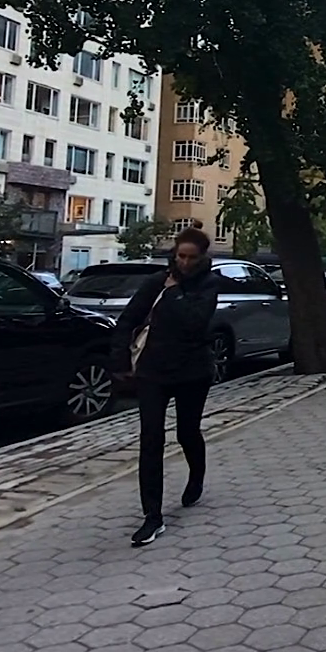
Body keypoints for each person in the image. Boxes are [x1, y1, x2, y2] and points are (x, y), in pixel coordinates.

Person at [111, 227, 223, 547]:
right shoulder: (156, 282)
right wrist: (119, 359)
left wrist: (175, 294)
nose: (184, 262)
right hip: (153, 371)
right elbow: (128, 319)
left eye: (191, 257)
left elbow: (196, 323)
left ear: (202, 258)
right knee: (151, 439)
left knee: (187, 431)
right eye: (180, 256)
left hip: (192, 371)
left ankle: (196, 477)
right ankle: (152, 516)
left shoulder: (209, 284)